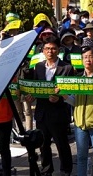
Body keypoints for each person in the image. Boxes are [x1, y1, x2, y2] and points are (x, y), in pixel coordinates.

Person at [26, 35, 75, 176]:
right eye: (47, 49)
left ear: (58, 50)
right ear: (43, 51)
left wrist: (59, 98)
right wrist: (31, 96)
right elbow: (36, 87)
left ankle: (66, 170)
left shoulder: (67, 68)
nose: (50, 51)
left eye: (53, 48)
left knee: (62, 144)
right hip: (42, 113)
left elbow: (71, 92)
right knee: (43, 144)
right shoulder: (39, 67)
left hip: (59, 113)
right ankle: (47, 170)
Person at [61, 44, 93, 176]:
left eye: (90, 57)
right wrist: (65, 96)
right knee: (81, 157)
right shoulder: (77, 79)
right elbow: (74, 102)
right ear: (82, 60)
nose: (88, 60)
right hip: (80, 124)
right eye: (85, 57)